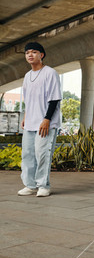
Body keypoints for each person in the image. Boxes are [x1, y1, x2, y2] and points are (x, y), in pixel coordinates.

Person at [18, 42, 61, 197]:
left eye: (34, 52)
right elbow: (28, 100)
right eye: (27, 52)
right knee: (27, 154)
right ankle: (30, 185)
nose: (30, 55)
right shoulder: (27, 76)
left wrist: (47, 119)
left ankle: (43, 185)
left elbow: (54, 99)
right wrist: (26, 116)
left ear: (41, 55)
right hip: (30, 121)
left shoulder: (50, 73)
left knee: (42, 154)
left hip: (46, 123)